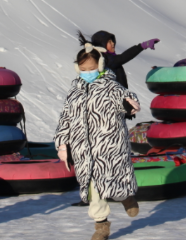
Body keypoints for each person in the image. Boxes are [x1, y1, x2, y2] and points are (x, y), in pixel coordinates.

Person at [55, 34, 141, 240]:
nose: (87, 73)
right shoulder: (74, 93)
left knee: (115, 183)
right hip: (84, 150)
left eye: (91, 69)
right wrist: (62, 143)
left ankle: (126, 197)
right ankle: (101, 226)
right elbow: (65, 118)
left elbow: (125, 97)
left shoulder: (110, 86)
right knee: (94, 189)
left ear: (100, 66)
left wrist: (129, 105)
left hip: (110, 148)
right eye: (83, 70)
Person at [90, 31, 159, 90]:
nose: (113, 43)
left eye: (112, 41)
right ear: (102, 45)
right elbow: (124, 57)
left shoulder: (108, 58)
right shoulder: (106, 60)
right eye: (109, 42)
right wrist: (142, 46)